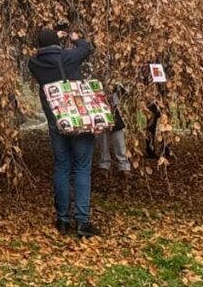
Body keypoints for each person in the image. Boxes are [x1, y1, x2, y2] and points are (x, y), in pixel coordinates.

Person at [28, 23, 99, 238]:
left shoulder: (34, 63)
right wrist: (75, 38)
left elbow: (42, 50)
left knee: (61, 167)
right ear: (57, 43)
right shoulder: (68, 56)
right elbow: (87, 48)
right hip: (78, 119)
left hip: (56, 122)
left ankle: (62, 219)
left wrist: (52, 41)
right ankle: (82, 220)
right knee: (81, 167)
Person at [97, 84, 131, 172]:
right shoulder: (95, 75)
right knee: (103, 137)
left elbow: (126, 92)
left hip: (113, 110)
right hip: (99, 108)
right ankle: (104, 165)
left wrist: (115, 87)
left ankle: (123, 165)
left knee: (119, 138)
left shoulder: (116, 77)